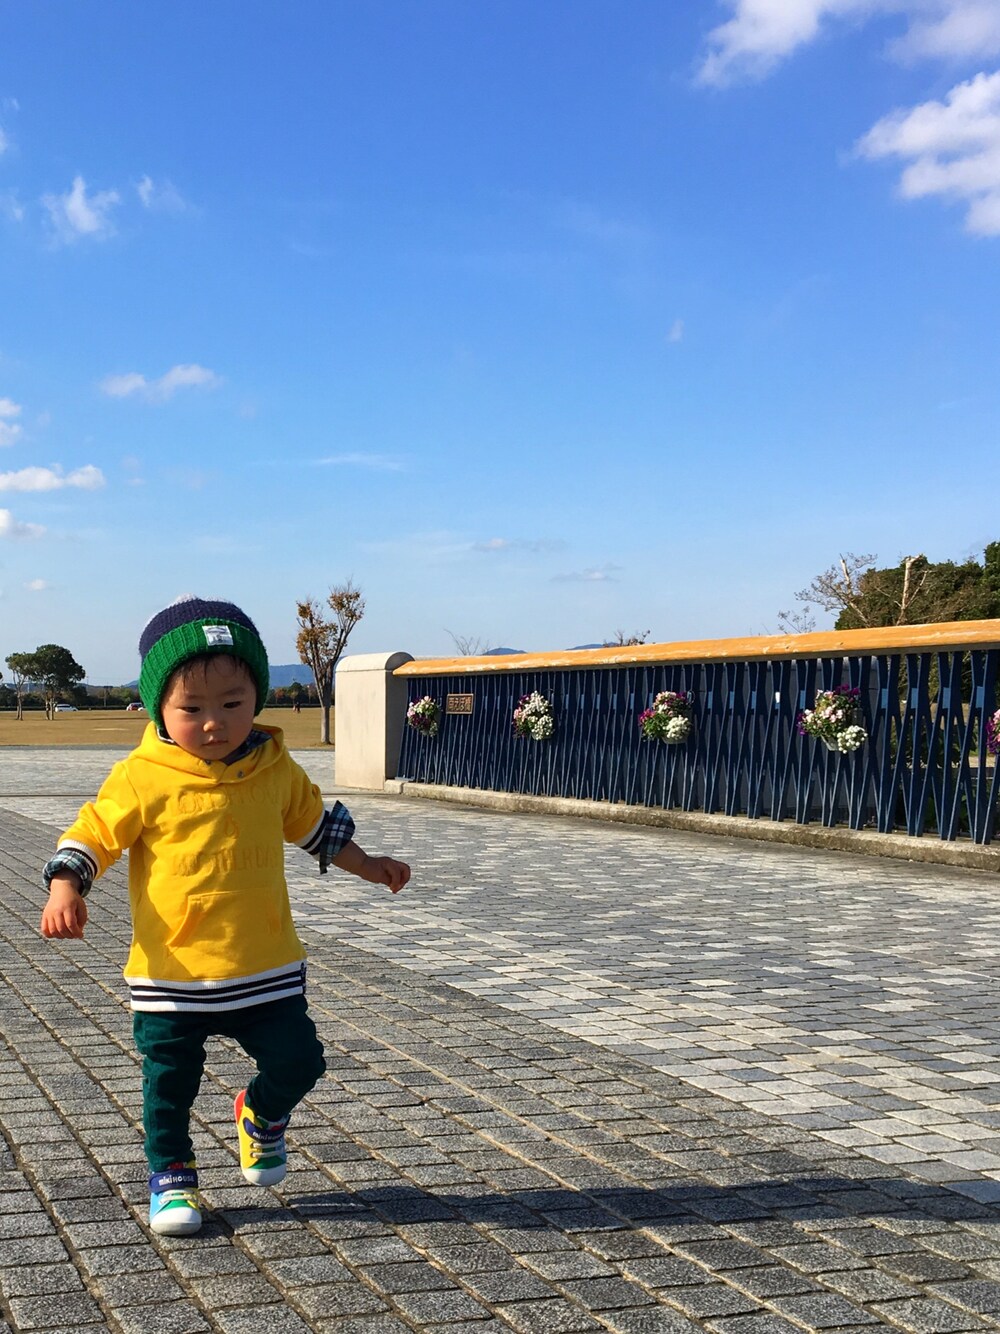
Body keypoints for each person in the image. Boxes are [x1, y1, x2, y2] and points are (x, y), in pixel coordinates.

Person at [39, 596, 410, 1237]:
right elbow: (94, 833)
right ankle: (172, 1176)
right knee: (169, 1086)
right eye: (192, 709)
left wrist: (370, 864)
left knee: (301, 1061)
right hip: (172, 971)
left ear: (257, 697)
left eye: (233, 703)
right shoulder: (142, 776)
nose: (214, 723)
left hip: (262, 961)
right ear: (158, 708)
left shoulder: (274, 768)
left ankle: (260, 1114)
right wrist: (66, 885)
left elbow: (317, 828)